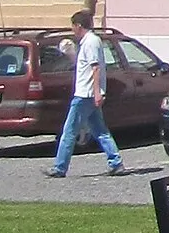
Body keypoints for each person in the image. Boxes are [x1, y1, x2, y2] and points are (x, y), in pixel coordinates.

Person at [50, 10, 126, 177]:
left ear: (78, 26)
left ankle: (60, 167)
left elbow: (95, 68)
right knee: (100, 130)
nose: (72, 30)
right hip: (89, 93)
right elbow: (85, 66)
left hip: (85, 94)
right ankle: (116, 162)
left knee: (69, 131)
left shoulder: (91, 42)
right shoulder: (88, 42)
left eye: (73, 26)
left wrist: (97, 92)